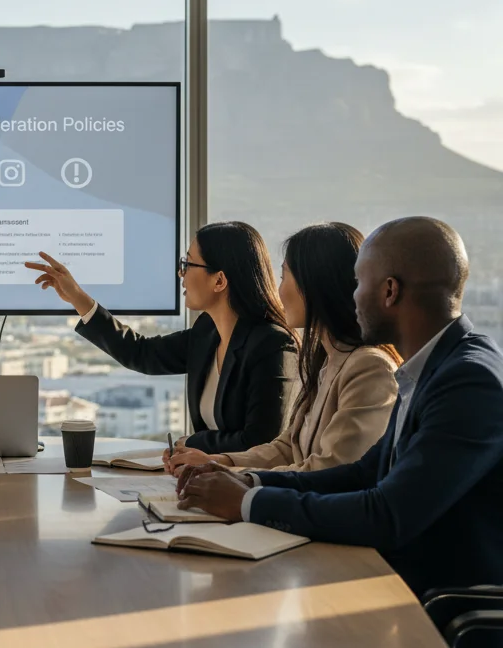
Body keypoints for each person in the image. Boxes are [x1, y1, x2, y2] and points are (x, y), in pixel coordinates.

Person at [176, 217, 503, 596]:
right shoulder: (433, 367)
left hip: (436, 609)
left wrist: (249, 501)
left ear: (390, 291)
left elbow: (388, 514)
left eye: (359, 282)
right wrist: (250, 480)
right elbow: (363, 473)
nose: (351, 295)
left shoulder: (467, 380)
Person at [26, 222, 297, 454]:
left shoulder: (272, 345)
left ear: (219, 280)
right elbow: (142, 354)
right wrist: (77, 298)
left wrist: (192, 443)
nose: (181, 273)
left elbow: (260, 442)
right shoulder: (207, 332)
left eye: (188, 264)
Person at [166, 222, 399, 476]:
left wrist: (237, 479)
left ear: (314, 284)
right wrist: (220, 462)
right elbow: (287, 448)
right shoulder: (325, 362)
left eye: (284, 276)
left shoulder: (369, 367)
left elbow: (331, 471)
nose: (279, 290)